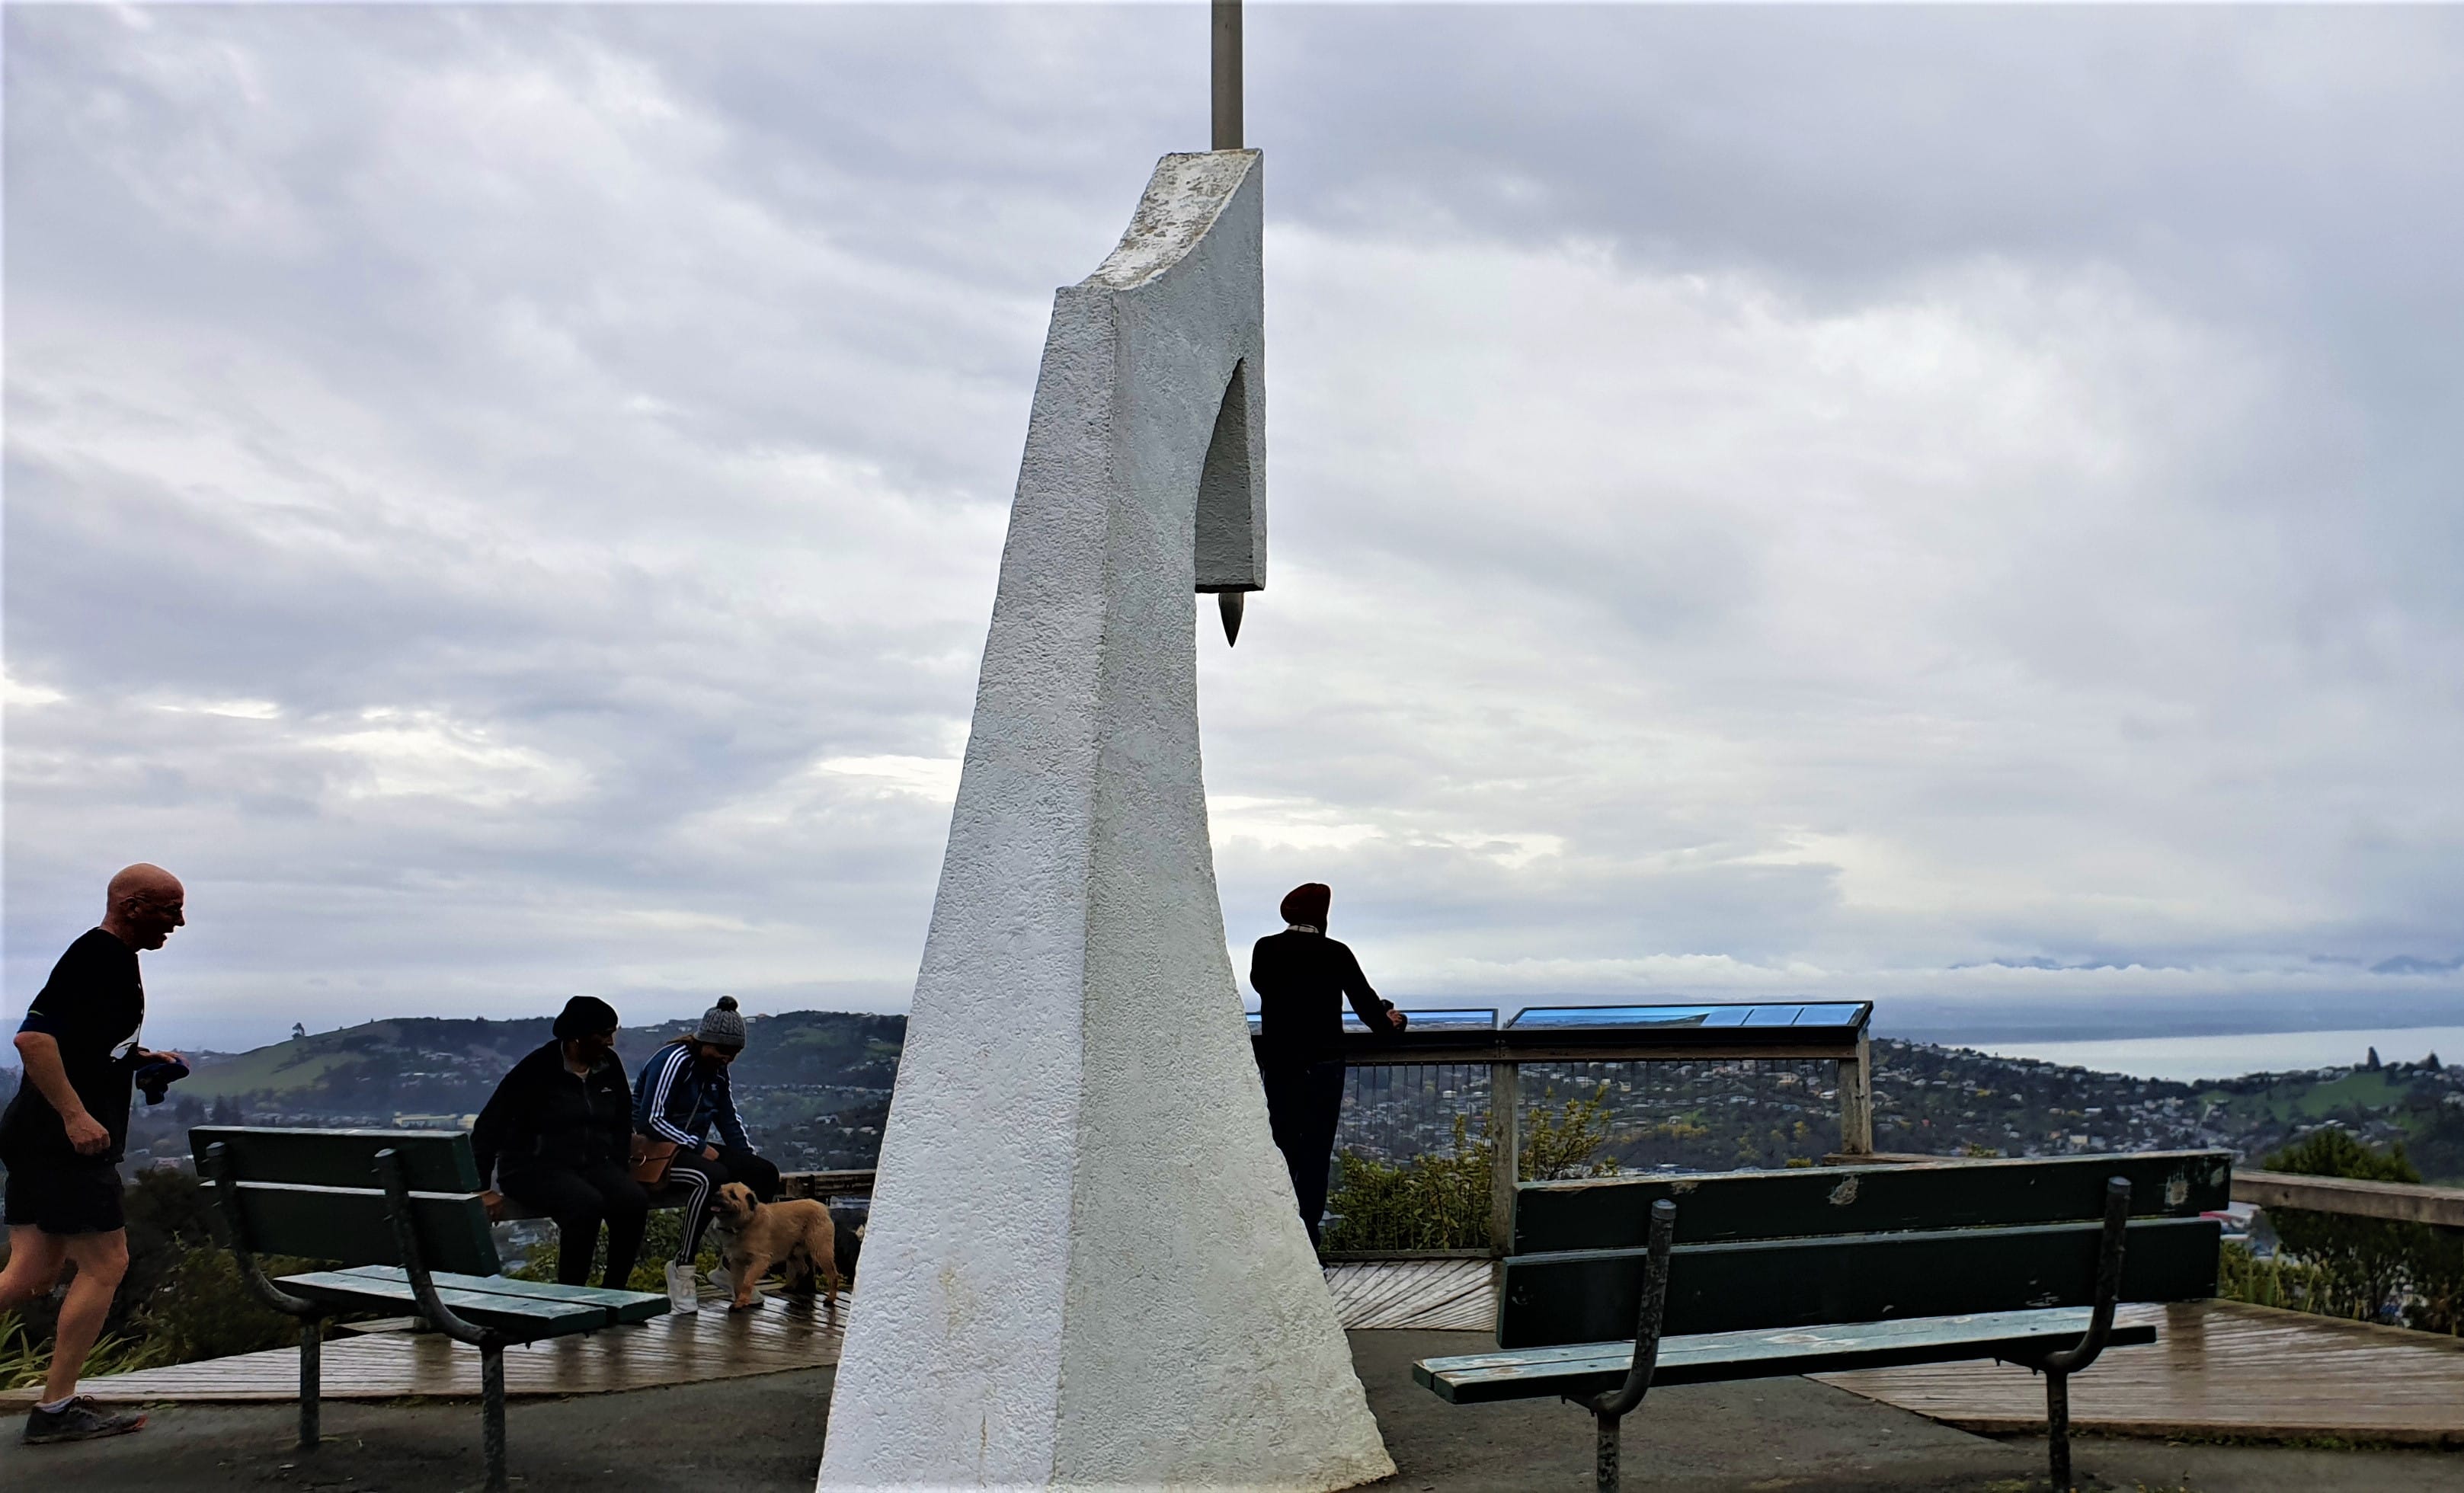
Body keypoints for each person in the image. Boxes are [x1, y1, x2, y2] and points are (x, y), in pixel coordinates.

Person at [0, 864, 187, 1445]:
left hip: (31, 1137)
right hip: (64, 1144)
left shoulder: (115, 960)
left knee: (29, 1276)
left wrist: (139, 1059)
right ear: (131, 906)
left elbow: (83, 1045)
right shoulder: (97, 956)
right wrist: (76, 1114)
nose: (178, 922)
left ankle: (56, 1406)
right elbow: (33, 1038)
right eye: (167, 909)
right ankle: (55, 1411)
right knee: (107, 1264)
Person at [1250, 882, 1405, 1247]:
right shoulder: (1336, 953)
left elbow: (1262, 986)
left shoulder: (1265, 948)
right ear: (1323, 916)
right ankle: (1308, 1242)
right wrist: (1390, 1021)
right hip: (1323, 1066)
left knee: (1282, 1148)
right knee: (1316, 1154)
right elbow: (1367, 1006)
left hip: (1281, 1064)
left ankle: (1278, 1240)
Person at [472, 996, 646, 1290]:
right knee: (585, 1205)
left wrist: (618, 1170)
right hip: (532, 1166)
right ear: (578, 1038)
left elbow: (620, 1121)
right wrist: (482, 1188)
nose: (611, 1042)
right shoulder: (536, 1069)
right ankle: (571, 1297)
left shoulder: (608, 1066)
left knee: (633, 1200)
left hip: (589, 1164)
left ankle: (615, 1292)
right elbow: (490, 1126)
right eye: (603, 1035)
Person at [637, 997, 779, 1264]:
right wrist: (698, 1146)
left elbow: (727, 1119)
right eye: (721, 1050)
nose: (727, 1057)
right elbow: (650, 1120)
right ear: (704, 1041)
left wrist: (748, 1158)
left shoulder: (718, 1071)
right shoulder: (675, 1060)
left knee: (765, 1173)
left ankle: (735, 1263)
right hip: (653, 1147)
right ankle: (684, 1264)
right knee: (714, 1176)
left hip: (687, 1146)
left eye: (734, 1052)